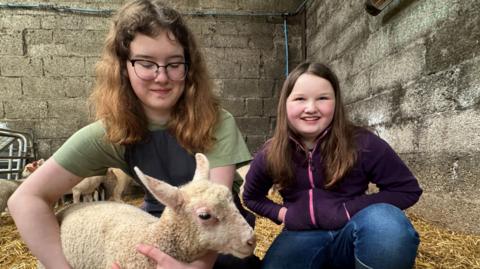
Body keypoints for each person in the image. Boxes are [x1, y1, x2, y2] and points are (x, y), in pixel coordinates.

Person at [8, 1, 260, 268]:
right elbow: (25, 199)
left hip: (218, 233)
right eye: (146, 63)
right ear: (123, 67)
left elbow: (214, 208)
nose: (161, 77)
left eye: (174, 64)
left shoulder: (217, 122)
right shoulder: (111, 132)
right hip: (156, 224)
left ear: (189, 67)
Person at [242, 62, 423, 269]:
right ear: (285, 104)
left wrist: (348, 210)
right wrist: (284, 214)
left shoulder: (363, 143)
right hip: (299, 237)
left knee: (386, 224)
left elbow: (406, 190)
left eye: (323, 98)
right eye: (300, 99)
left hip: (353, 229)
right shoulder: (270, 152)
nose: (311, 108)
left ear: (336, 102)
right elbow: (251, 196)